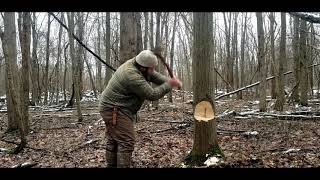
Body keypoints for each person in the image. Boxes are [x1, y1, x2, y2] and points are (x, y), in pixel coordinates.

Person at [99, 50, 182, 168]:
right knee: (127, 141)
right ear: (143, 68)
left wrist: (170, 81)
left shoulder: (138, 64)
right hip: (114, 109)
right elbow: (152, 95)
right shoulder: (131, 75)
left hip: (115, 107)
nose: (153, 71)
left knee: (115, 139)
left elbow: (153, 75)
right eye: (151, 68)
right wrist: (169, 85)